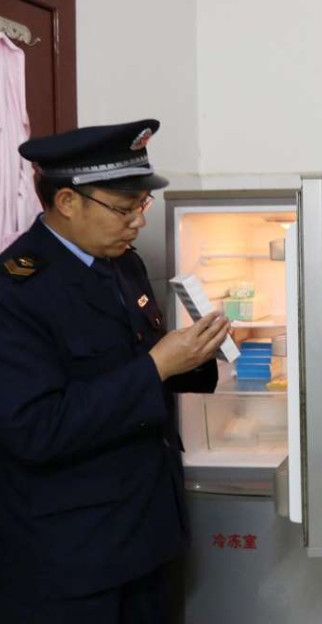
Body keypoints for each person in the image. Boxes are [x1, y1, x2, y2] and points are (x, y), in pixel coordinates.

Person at [0, 120, 230, 622]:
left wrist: (198, 355)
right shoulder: (17, 291)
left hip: (149, 536)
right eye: (123, 209)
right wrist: (157, 365)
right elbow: (35, 429)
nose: (137, 223)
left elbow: (143, 365)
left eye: (140, 206)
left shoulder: (123, 266)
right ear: (66, 202)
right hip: (73, 557)